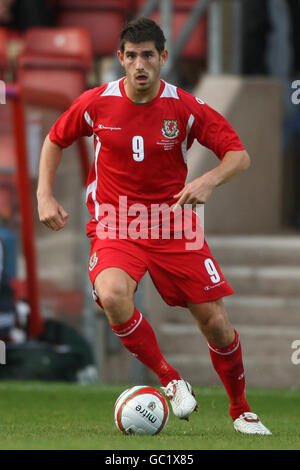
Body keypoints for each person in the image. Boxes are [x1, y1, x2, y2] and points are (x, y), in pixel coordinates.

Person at [37, 17, 271, 435]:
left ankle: (242, 410)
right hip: (116, 224)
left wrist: (207, 179)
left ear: (163, 57)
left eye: (149, 55)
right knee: (111, 294)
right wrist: (44, 195)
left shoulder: (183, 106)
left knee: (216, 322)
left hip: (173, 227)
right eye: (132, 56)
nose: (140, 64)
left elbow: (239, 155)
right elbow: (55, 138)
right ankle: (170, 378)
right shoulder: (97, 102)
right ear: (120, 60)